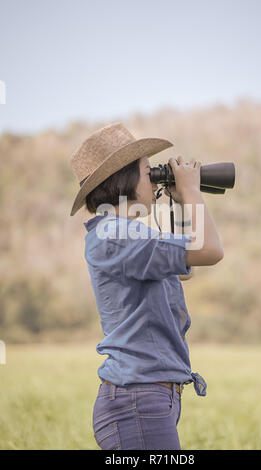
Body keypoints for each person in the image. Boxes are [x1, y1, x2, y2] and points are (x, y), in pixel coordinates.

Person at [69, 122, 224, 450]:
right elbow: (210, 250)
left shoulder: (124, 234)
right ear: (124, 178)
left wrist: (180, 201)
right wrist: (192, 190)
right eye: (146, 170)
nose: (154, 175)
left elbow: (185, 270)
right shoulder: (116, 234)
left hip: (146, 400)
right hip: (137, 402)